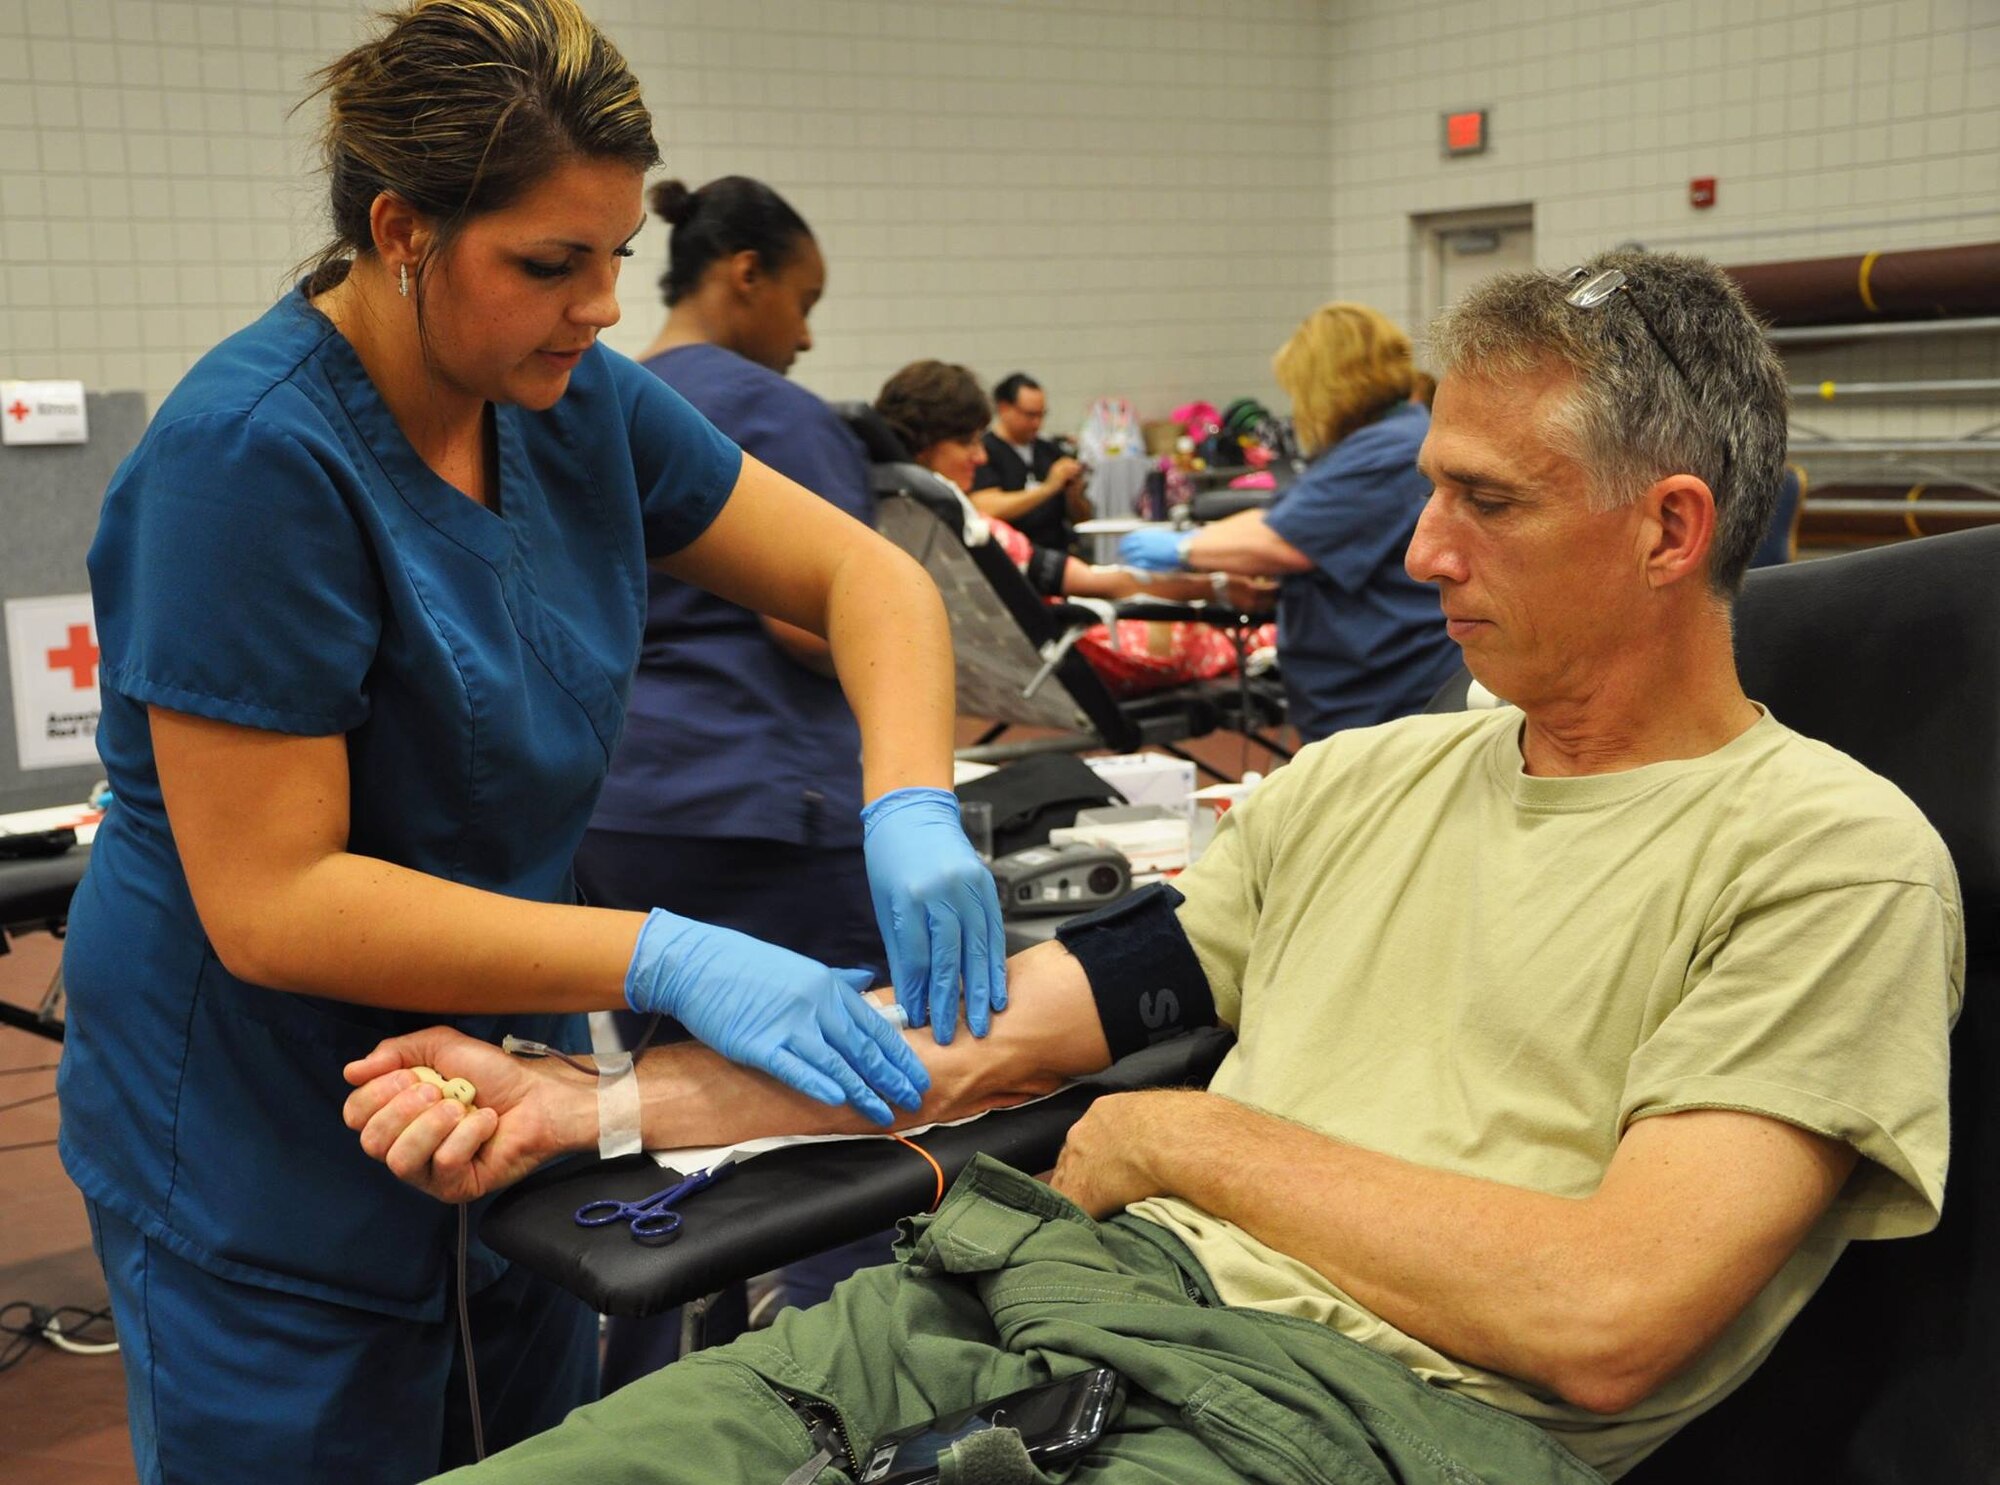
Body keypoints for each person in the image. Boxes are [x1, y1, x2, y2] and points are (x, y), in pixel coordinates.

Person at [348, 251, 1962, 1483]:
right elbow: (1005, 1032)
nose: (1417, 556)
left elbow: (1609, 1319)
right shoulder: (1360, 785)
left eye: (1486, 504)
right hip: (1027, 1304)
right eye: (1424, 493)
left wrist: (1191, 1141)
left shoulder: (1828, 865)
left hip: (1336, 1424)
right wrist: (596, 1107)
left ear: (1670, 531)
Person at [54, 3, 1002, 1480]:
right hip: (261, 1123)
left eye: (616, 257)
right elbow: (273, 898)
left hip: (510, 1088)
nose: (601, 307)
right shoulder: (251, 461)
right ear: (401, 230)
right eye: (549, 266)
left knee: (533, 1447)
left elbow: (864, 577)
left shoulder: (574, 405)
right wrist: (663, 955)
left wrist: (910, 804)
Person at [578, 175, 896, 1375]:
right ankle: (834, 1401)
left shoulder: (590, 398)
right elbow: (817, 624)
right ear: (744, 273)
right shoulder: (770, 412)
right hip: (763, 810)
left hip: (621, 810)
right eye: (803, 300)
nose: (808, 334)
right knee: (839, 1133)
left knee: (648, 1131)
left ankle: (639, 1397)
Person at [1119, 304, 1462, 741]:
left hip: (1390, 689)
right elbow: (1284, 517)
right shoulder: (1372, 443)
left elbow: (1281, 541)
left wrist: (1183, 548)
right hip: (1361, 682)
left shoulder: (1391, 450)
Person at [876, 360, 1275, 698]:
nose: (979, 456)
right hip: (1069, 639)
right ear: (924, 444)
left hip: (1005, 648)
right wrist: (1214, 588)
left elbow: (1079, 523)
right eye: (966, 442)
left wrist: (1071, 494)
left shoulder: (891, 520)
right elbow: (1106, 586)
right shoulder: (974, 528)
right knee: (1251, 632)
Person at [969, 371, 1087, 550]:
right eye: (1030, 415)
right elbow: (986, 507)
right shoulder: (984, 452)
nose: (1037, 423)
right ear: (1003, 408)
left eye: (1042, 415)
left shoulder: (1050, 451)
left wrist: (1074, 494)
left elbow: (1082, 518)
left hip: (1057, 550)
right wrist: (1048, 487)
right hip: (1011, 556)